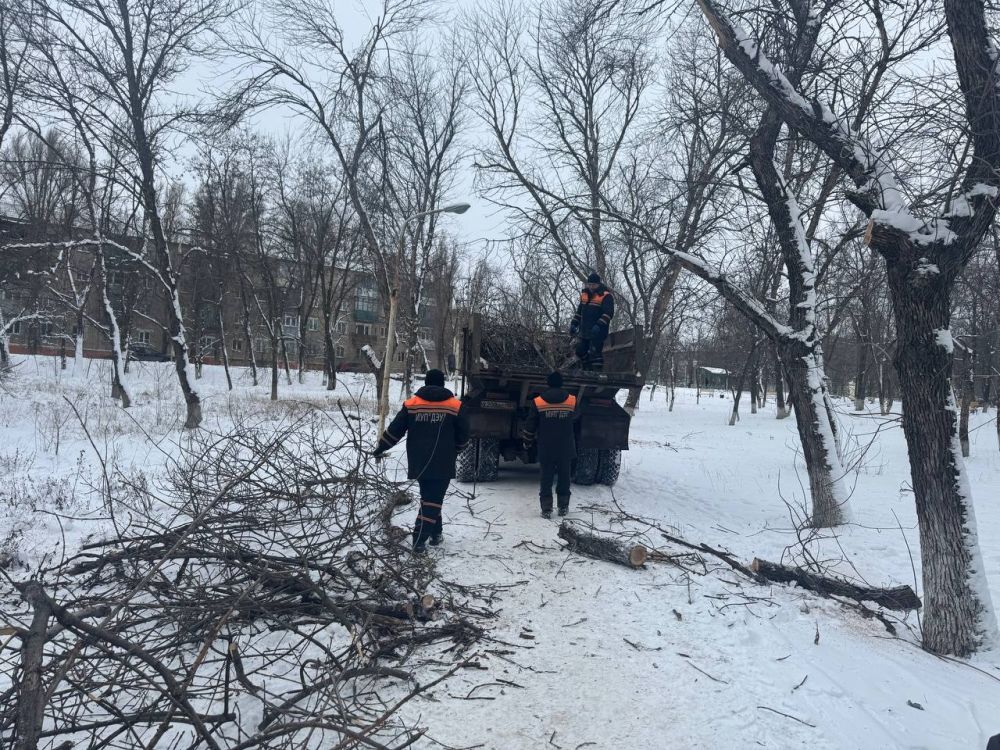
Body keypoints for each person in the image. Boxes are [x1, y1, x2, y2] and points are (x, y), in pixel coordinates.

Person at [372, 368, 469, 553]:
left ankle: (436, 534)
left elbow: (395, 430)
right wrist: (456, 450)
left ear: (426, 383)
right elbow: (464, 435)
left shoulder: (412, 404)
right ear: (442, 384)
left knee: (430, 497)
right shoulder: (455, 406)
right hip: (443, 461)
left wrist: (381, 447)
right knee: (433, 500)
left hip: (419, 461)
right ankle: (419, 539)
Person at [521, 371, 578, 518]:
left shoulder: (538, 402)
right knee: (564, 477)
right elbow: (576, 418)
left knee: (546, 478)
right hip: (565, 447)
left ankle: (546, 509)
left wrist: (527, 442)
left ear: (548, 383)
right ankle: (563, 507)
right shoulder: (572, 400)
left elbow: (530, 424)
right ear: (562, 383)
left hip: (546, 447)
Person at [570, 272, 615, 371]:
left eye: (593, 284)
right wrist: (574, 323)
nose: (591, 287)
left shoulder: (606, 296)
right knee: (580, 351)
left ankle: (596, 373)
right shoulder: (584, 295)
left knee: (595, 353)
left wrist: (599, 325)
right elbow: (579, 312)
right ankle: (587, 369)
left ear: (598, 284)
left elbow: (608, 313)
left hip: (598, 331)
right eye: (589, 284)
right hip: (585, 330)